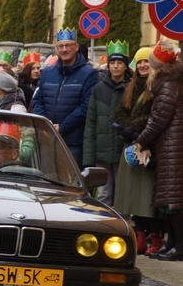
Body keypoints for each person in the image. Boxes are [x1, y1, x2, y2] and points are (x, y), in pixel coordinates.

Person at [112, 46, 165, 256]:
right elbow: (119, 114)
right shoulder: (130, 87)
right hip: (131, 146)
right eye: (140, 62)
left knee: (147, 197)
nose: (143, 65)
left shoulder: (158, 87)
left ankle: (156, 236)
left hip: (148, 147)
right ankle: (139, 236)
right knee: (132, 196)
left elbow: (154, 117)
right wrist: (127, 130)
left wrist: (134, 130)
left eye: (147, 62)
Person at [135, 41, 183, 260]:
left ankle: (178, 246)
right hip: (170, 145)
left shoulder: (168, 84)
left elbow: (158, 119)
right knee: (169, 200)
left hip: (174, 146)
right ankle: (172, 244)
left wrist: (140, 141)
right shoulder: (172, 81)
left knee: (174, 201)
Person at [32, 28, 99, 168]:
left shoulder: (89, 74)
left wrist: (62, 128)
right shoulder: (47, 72)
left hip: (73, 141)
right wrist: (46, 124)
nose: (64, 50)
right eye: (60, 46)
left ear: (76, 47)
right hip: (47, 137)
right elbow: (38, 100)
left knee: (70, 184)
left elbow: (86, 106)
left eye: (68, 45)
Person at [82, 41, 131, 207]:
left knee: (123, 195)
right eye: (112, 63)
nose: (115, 66)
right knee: (104, 195)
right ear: (108, 66)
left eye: (120, 63)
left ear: (126, 66)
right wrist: (89, 155)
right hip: (102, 151)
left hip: (121, 150)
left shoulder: (131, 88)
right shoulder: (98, 89)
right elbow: (91, 123)